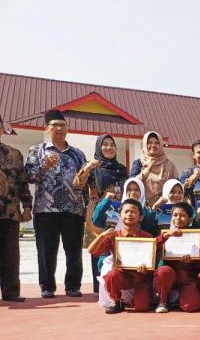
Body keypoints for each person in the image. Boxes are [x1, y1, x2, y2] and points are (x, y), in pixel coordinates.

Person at [25, 110, 87, 298]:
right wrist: (44, 166)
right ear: (47, 128)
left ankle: (73, 285)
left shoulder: (77, 154)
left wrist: (86, 207)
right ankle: (47, 286)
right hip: (46, 209)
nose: (59, 129)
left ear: (67, 129)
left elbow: (84, 181)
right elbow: (28, 177)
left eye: (63, 125)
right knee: (46, 249)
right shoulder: (37, 150)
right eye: (55, 126)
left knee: (74, 250)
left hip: (73, 208)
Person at [73, 134, 128, 293]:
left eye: (112, 145)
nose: (109, 148)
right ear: (98, 147)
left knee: (115, 247)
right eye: (105, 144)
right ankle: (100, 289)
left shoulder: (121, 169)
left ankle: (116, 286)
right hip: (96, 212)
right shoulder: (91, 167)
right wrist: (89, 167)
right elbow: (77, 186)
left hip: (117, 212)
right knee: (98, 248)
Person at [88, 199, 153, 314]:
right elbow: (92, 251)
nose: (129, 214)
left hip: (140, 277)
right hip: (122, 275)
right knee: (112, 274)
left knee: (142, 307)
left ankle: (140, 298)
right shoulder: (114, 235)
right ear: (120, 215)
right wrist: (102, 236)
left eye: (133, 212)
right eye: (126, 211)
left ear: (141, 217)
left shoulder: (147, 237)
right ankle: (116, 300)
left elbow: (150, 262)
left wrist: (145, 268)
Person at [0, 116, 32, 302]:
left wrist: (27, 206)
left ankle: (11, 292)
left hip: (10, 212)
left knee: (10, 255)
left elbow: (23, 184)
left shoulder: (14, 154)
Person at [153, 202, 200, 313]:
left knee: (191, 307)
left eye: (182, 215)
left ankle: (182, 298)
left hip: (187, 277)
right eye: (175, 215)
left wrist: (192, 261)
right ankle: (163, 301)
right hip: (169, 275)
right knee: (163, 271)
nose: (178, 218)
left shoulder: (196, 235)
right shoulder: (166, 234)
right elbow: (151, 249)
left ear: (190, 219)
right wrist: (166, 236)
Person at [92, 178, 159, 237]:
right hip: (112, 247)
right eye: (129, 190)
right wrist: (106, 200)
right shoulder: (115, 209)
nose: (132, 192)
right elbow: (97, 221)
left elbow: (151, 230)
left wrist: (153, 210)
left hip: (137, 247)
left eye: (136, 190)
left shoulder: (145, 212)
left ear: (142, 192)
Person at [130, 131, 179, 207]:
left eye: (157, 143)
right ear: (145, 144)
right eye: (149, 142)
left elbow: (176, 186)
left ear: (161, 145)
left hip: (164, 207)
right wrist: (145, 171)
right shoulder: (139, 163)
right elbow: (131, 183)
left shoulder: (169, 164)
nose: (153, 145)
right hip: (143, 207)